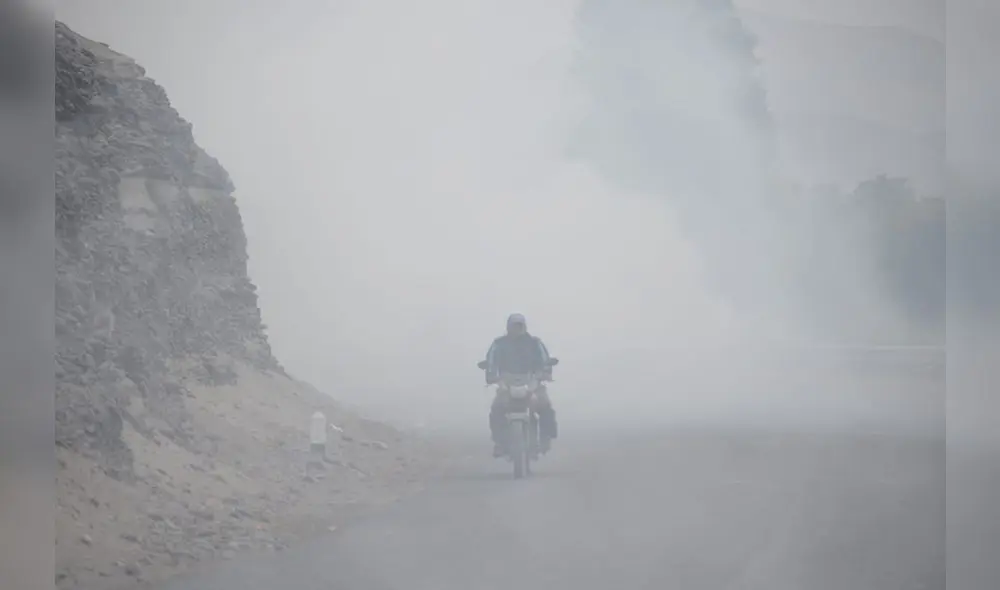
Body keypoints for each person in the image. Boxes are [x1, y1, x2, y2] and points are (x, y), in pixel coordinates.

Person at [481, 313, 558, 457]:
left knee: (545, 406)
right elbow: (491, 361)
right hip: (506, 383)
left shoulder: (535, 343)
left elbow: (545, 360)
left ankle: (545, 438)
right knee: (497, 408)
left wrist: (545, 372)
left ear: (524, 327)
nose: (516, 329)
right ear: (508, 327)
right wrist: (492, 376)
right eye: (513, 326)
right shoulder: (498, 344)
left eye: (519, 326)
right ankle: (500, 442)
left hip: (532, 381)